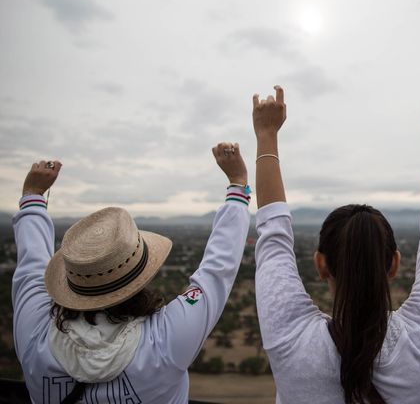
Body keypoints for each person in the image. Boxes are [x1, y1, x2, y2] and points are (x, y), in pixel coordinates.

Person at [253, 86, 420, 403]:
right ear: (393, 264)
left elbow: (273, 239)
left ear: (321, 264)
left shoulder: (290, 340)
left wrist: (266, 133)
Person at [12, 143, 251, 403]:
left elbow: (31, 266)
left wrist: (33, 196)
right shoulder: (166, 339)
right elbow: (217, 270)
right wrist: (238, 185)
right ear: (139, 279)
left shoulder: (34, 332)